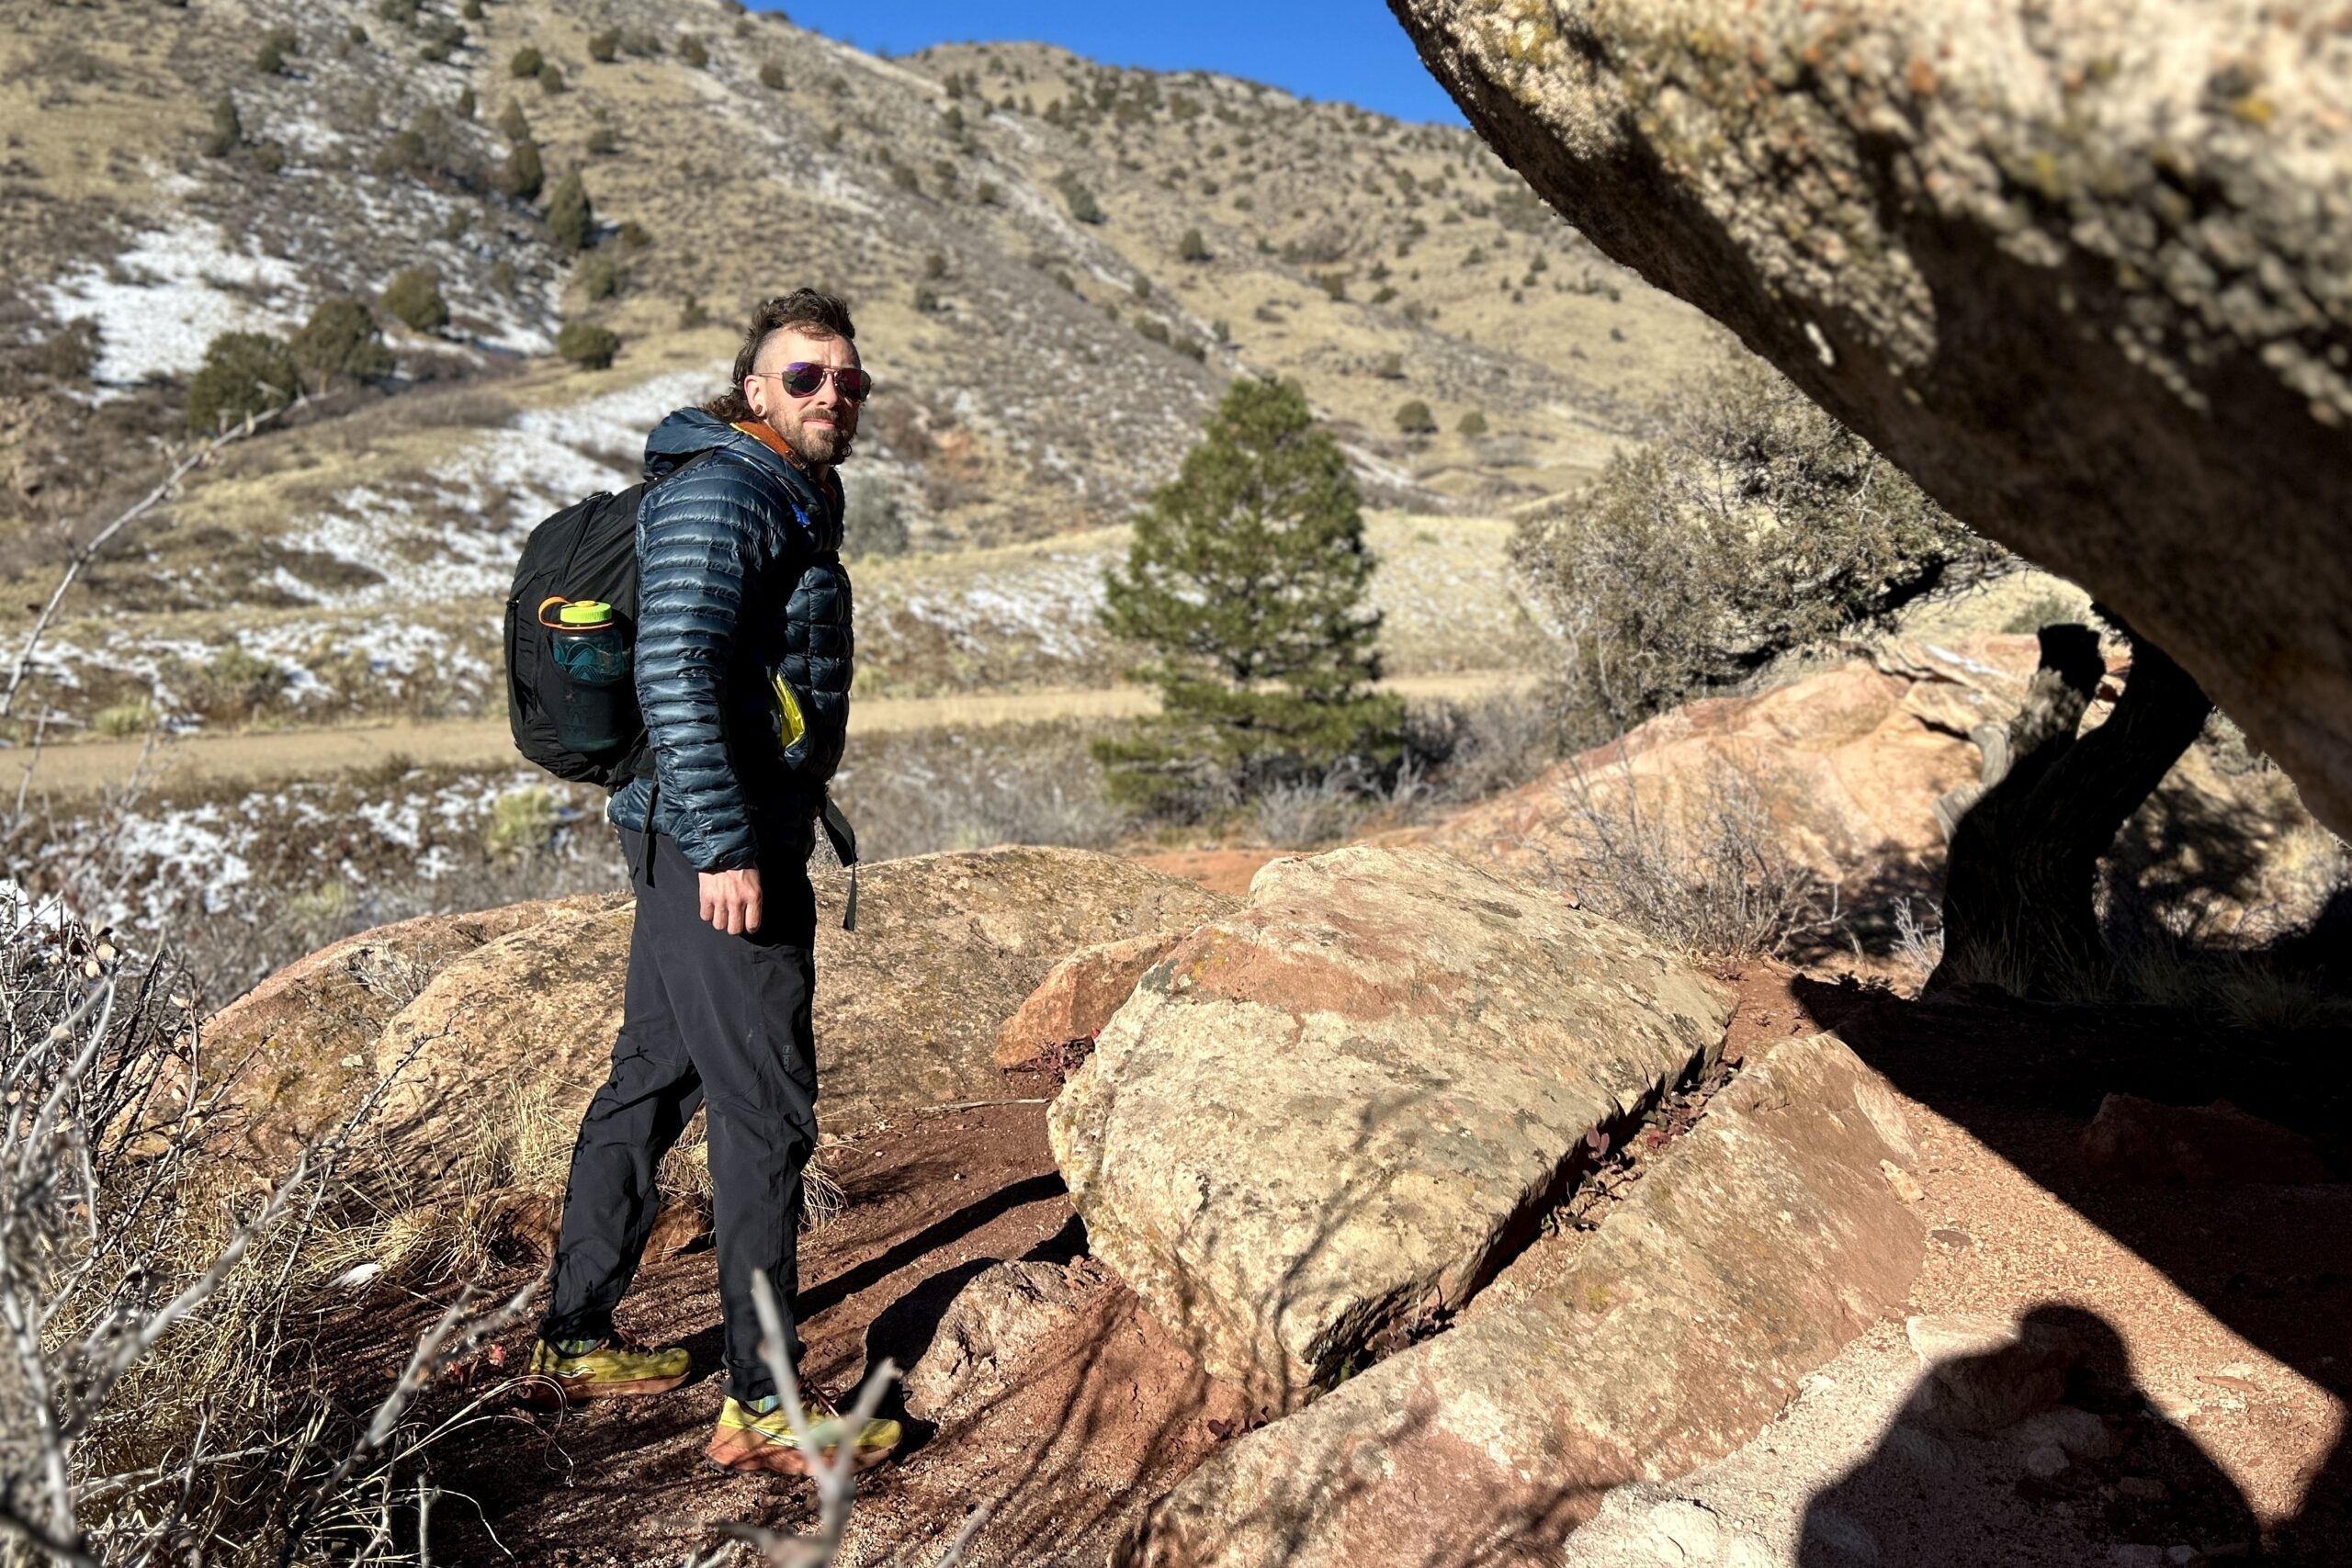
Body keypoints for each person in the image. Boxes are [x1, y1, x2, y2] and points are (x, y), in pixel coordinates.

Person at [524, 289, 899, 1476]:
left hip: (687, 829)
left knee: (657, 1074)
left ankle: (576, 1335)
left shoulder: (776, 487)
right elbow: (674, 667)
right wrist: (730, 845)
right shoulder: (731, 489)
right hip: (712, 839)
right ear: (753, 390)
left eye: (848, 379)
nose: (832, 393)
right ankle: (767, 1399)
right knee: (766, 1109)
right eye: (805, 377)